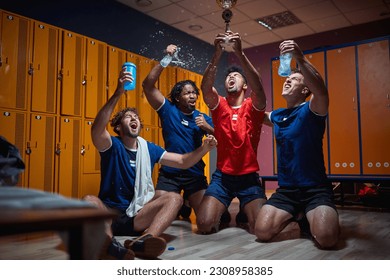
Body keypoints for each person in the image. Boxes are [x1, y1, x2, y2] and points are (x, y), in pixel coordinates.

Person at [84, 66, 217, 259]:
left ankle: (144, 241)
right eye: (129, 117)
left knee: (175, 199)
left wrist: (204, 149)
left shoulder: (148, 149)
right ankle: (110, 244)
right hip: (110, 214)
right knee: (89, 200)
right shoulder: (112, 145)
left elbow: (181, 160)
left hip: (134, 217)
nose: (134, 119)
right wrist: (118, 92)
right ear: (118, 127)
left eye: (136, 117)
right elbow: (97, 128)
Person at [254, 40, 339, 249]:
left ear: (305, 90)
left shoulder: (312, 109)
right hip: (287, 190)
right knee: (262, 232)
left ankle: (315, 218)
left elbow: (321, 91)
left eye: (294, 79)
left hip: (315, 189)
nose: (287, 81)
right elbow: (253, 114)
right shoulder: (279, 114)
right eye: (287, 78)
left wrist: (300, 58)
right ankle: (301, 218)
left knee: (327, 238)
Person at [196, 31, 267, 234]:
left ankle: (245, 211)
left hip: (249, 178)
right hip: (222, 178)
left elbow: (259, 89)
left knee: (260, 227)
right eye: (228, 76)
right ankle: (224, 213)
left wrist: (240, 53)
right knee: (204, 224)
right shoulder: (220, 105)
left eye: (235, 76)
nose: (230, 78)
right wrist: (217, 54)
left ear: (245, 85)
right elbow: (205, 87)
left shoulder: (252, 107)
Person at [142, 44, 214, 220]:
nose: (192, 96)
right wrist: (166, 58)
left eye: (194, 93)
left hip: (194, 173)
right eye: (187, 93)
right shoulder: (168, 109)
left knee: (207, 223)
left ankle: (188, 200)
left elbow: (222, 139)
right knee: (152, 216)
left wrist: (207, 127)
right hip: (170, 173)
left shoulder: (202, 117)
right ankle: (182, 203)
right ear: (176, 98)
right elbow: (148, 85)